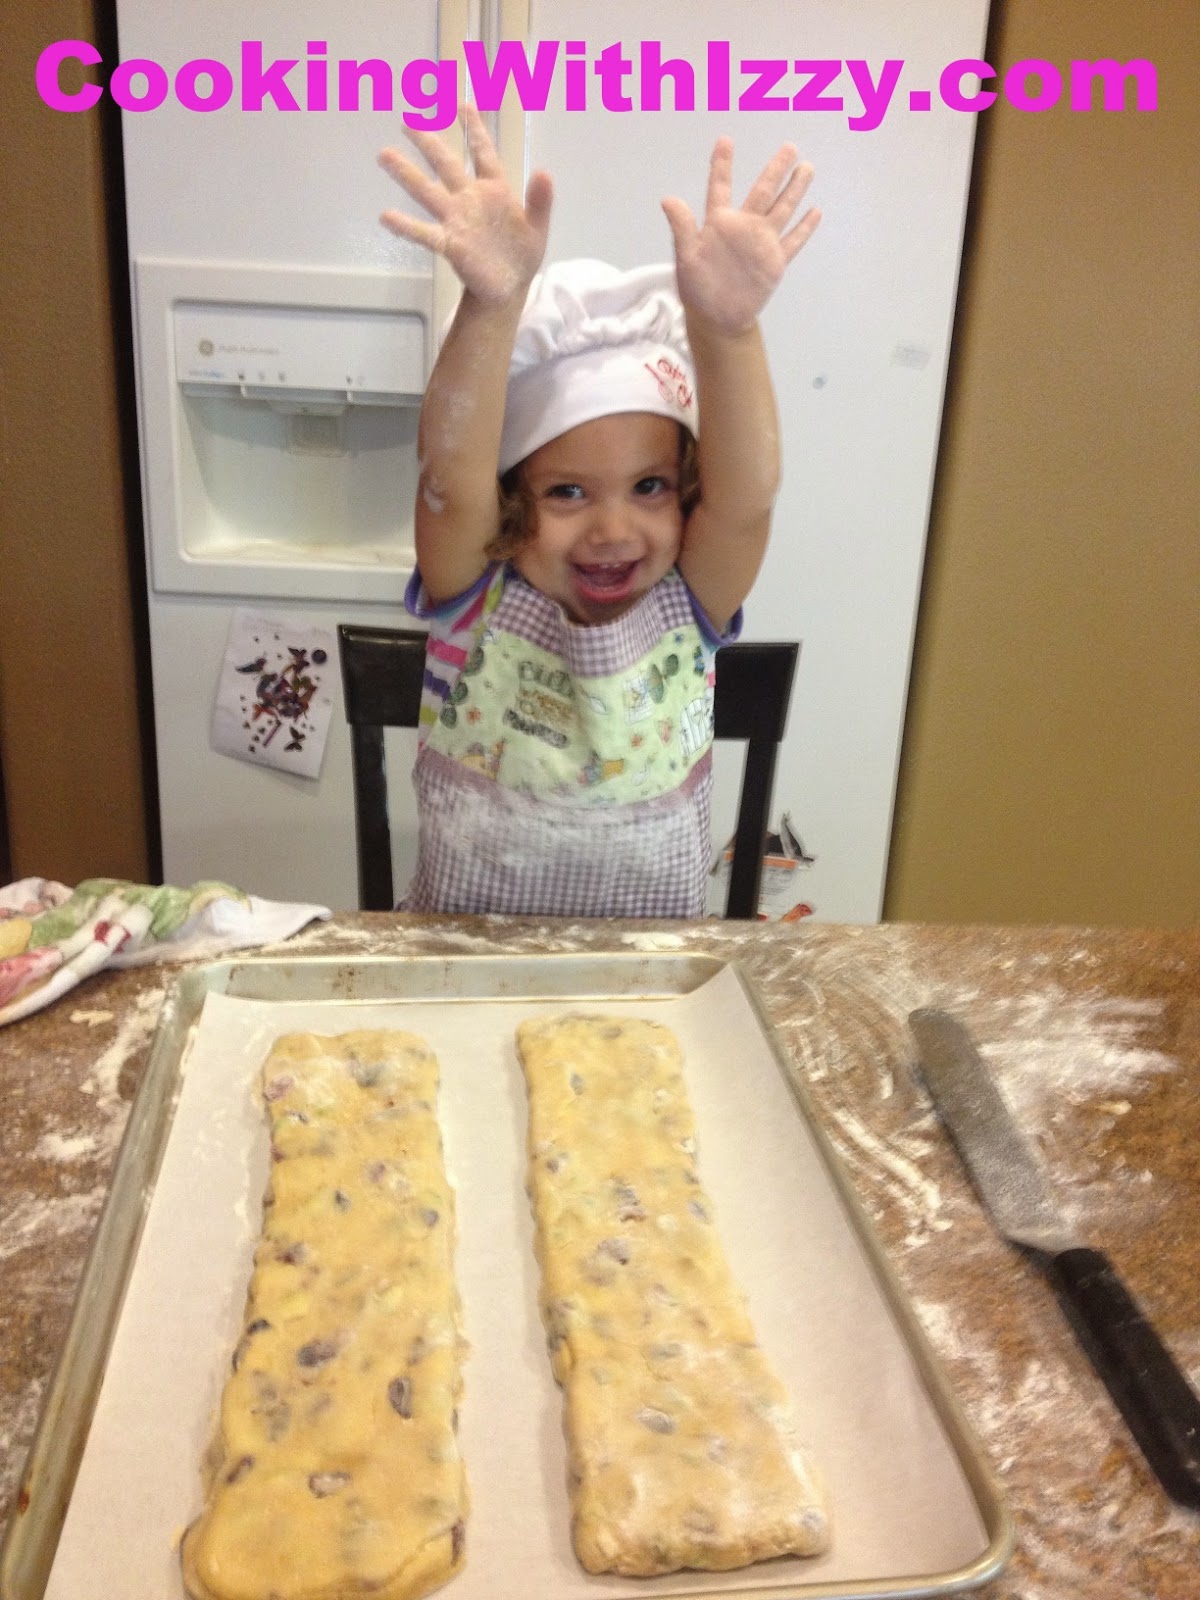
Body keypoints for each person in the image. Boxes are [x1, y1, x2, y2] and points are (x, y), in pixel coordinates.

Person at [377, 105, 819, 918]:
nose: (614, 531)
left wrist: (728, 333)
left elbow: (748, 500)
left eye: (650, 487)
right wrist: (492, 305)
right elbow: (450, 479)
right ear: (513, 497)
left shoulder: (690, 604)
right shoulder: (474, 599)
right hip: (464, 962)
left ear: (687, 489)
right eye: (568, 492)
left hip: (653, 971)